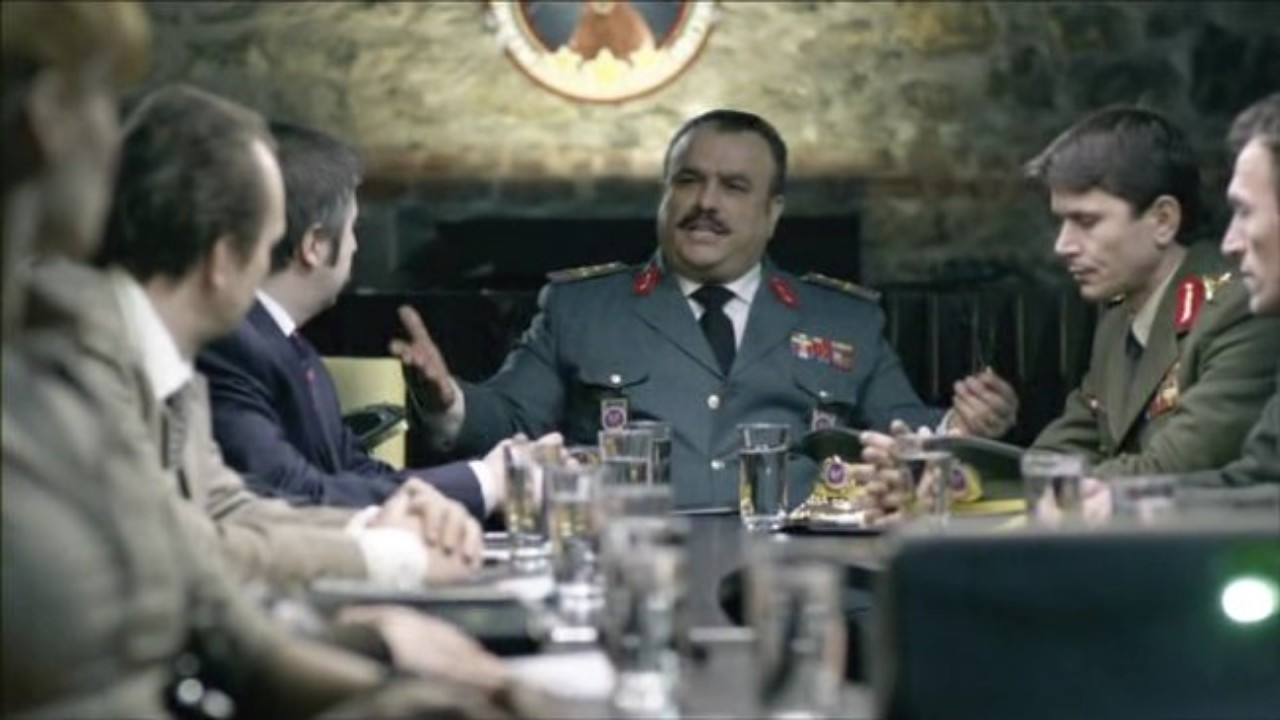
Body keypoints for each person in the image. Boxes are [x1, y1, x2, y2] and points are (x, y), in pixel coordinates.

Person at [2, 4, 529, 718]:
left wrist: (394, 667)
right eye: (101, 98)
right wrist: (392, 568)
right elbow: (216, 554)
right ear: (45, 120)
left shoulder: (93, 346)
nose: (112, 141)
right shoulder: (85, 346)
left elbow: (219, 584)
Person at [396, 109, 1017, 509]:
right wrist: (446, 398)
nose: (706, 203)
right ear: (665, 195)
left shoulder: (844, 320)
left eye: (735, 187)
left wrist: (964, 427)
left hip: (803, 565)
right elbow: (510, 419)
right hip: (635, 563)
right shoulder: (581, 307)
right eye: (688, 181)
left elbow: (903, 433)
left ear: (773, 213)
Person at [196, 121, 521, 521]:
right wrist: (485, 482)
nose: (355, 246)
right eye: (352, 228)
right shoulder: (230, 346)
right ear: (315, 246)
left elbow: (356, 473)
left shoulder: (293, 348)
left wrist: (487, 481)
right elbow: (292, 494)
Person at [1024, 107, 1280, 475]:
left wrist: (1062, 486)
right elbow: (1056, 453)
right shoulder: (1119, 323)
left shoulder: (1240, 308)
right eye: (1062, 221)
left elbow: (1174, 470)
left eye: (1086, 221)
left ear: (1163, 220)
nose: (1063, 245)